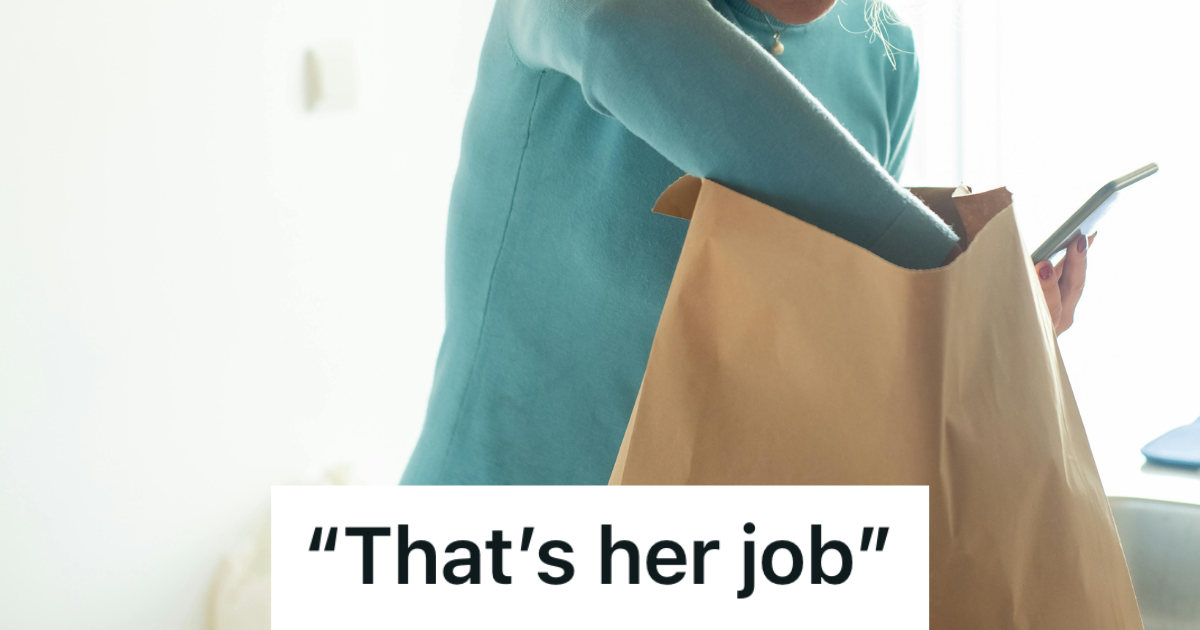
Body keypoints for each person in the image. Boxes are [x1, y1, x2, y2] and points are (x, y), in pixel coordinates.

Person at [401, 0, 1090, 485]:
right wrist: (959, 283)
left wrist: (996, 338)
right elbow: (630, 35)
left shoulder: (886, 58)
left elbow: (839, 348)